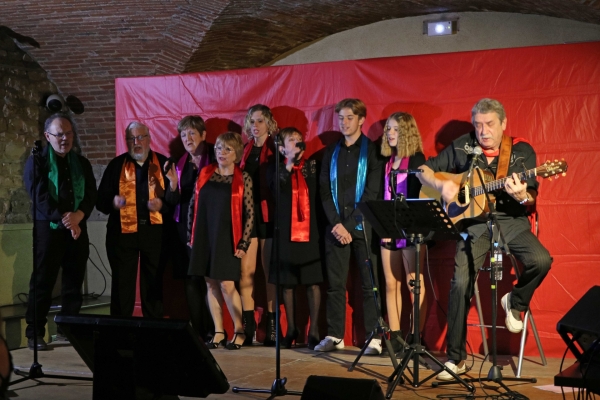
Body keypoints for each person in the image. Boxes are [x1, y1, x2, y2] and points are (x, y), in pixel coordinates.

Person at [417, 98, 552, 380]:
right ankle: (456, 359)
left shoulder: (521, 151)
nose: (483, 131)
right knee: (460, 282)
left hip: (510, 220)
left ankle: (514, 303)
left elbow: (531, 195)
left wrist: (522, 196)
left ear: (503, 123)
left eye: (489, 124)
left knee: (541, 260)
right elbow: (422, 170)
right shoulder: (463, 144)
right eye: (478, 125)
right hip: (475, 225)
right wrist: (442, 184)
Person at [23, 113, 97, 350]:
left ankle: (69, 330)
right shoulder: (37, 161)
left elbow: (90, 196)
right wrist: (67, 220)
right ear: (47, 136)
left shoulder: (82, 163)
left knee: (74, 282)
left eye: (68, 134)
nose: (65, 139)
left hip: (77, 225)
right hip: (49, 229)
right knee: (43, 282)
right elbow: (39, 197)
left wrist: (78, 216)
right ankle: (35, 333)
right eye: (59, 134)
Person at [315, 98, 384, 354]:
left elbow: (372, 192)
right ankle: (335, 335)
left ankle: (374, 337)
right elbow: (323, 191)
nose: (344, 123)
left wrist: (349, 223)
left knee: (370, 284)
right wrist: (336, 223)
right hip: (335, 228)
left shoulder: (374, 152)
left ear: (361, 119)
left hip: (363, 226)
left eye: (349, 118)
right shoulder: (331, 152)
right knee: (335, 284)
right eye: (341, 118)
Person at [187, 132, 254, 350]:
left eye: (227, 149)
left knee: (226, 283)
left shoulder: (243, 177)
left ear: (237, 153)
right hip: (205, 235)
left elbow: (249, 213)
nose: (221, 153)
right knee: (210, 282)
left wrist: (244, 242)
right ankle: (218, 331)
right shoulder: (205, 173)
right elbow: (192, 206)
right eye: (218, 148)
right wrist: (191, 235)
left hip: (228, 236)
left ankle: (239, 330)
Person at [96, 121, 170, 318]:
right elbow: (100, 202)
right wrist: (112, 201)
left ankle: (153, 332)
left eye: (141, 137)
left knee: (153, 285)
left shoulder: (163, 164)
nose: (136, 142)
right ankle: (121, 332)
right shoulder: (116, 165)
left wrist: (162, 205)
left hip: (155, 234)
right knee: (122, 285)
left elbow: (177, 200)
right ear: (127, 141)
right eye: (132, 138)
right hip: (122, 235)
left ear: (149, 139)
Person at [267, 127, 324, 349]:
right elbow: (277, 188)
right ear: (281, 148)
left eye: (300, 139)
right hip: (286, 233)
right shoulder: (275, 168)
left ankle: (315, 330)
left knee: (312, 282)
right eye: (292, 140)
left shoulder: (312, 167)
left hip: (310, 231)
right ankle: (291, 328)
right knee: (288, 283)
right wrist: (289, 162)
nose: (298, 142)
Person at [379, 112, 427, 353]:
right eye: (388, 128)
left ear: (406, 132)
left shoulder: (417, 159)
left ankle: (416, 336)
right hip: (388, 228)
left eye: (395, 129)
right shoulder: (387, 161)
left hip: (410, 230)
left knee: (413, 283)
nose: (389, 133)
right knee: (390, 284)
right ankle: (395, 336)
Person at [163, 115, 215, 340]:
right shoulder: (176, 163)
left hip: (211, 229)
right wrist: (173, 184)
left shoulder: (216, 155)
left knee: (211, 280)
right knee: (191, 280)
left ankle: (218, 330)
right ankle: (200, 331)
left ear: (204, 135)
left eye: (192, 133)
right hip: (184, 231)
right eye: (183, 134)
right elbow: (171, 202)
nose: (187, 138)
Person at [239, 104, 278, 346]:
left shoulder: (275, 149)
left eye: (260, 121)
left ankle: (272, 326)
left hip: (269, 216)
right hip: (247, 219)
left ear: (269, 123)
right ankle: (248, 327)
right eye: (252, 121)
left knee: (269, 274)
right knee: (246, 274)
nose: (256, 125)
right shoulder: (244, 150)